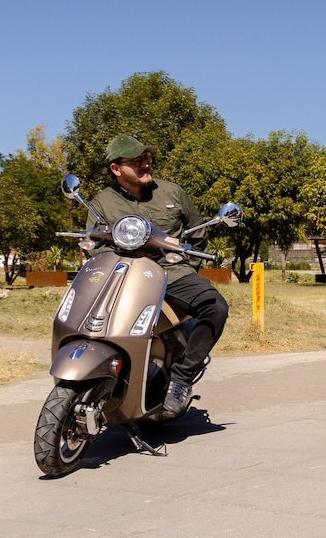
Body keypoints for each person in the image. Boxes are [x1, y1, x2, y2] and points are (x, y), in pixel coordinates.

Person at [88, 135, 230, 417]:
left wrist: (185, 266)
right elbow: (95, 248)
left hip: (172, 275)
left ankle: (181, 379)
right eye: (136, 160)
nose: (145, 164)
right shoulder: (102, 203)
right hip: (125, 279)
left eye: (147, 159)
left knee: (216, 307)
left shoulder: (172, 193)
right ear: (116, 169)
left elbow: (197, 233)